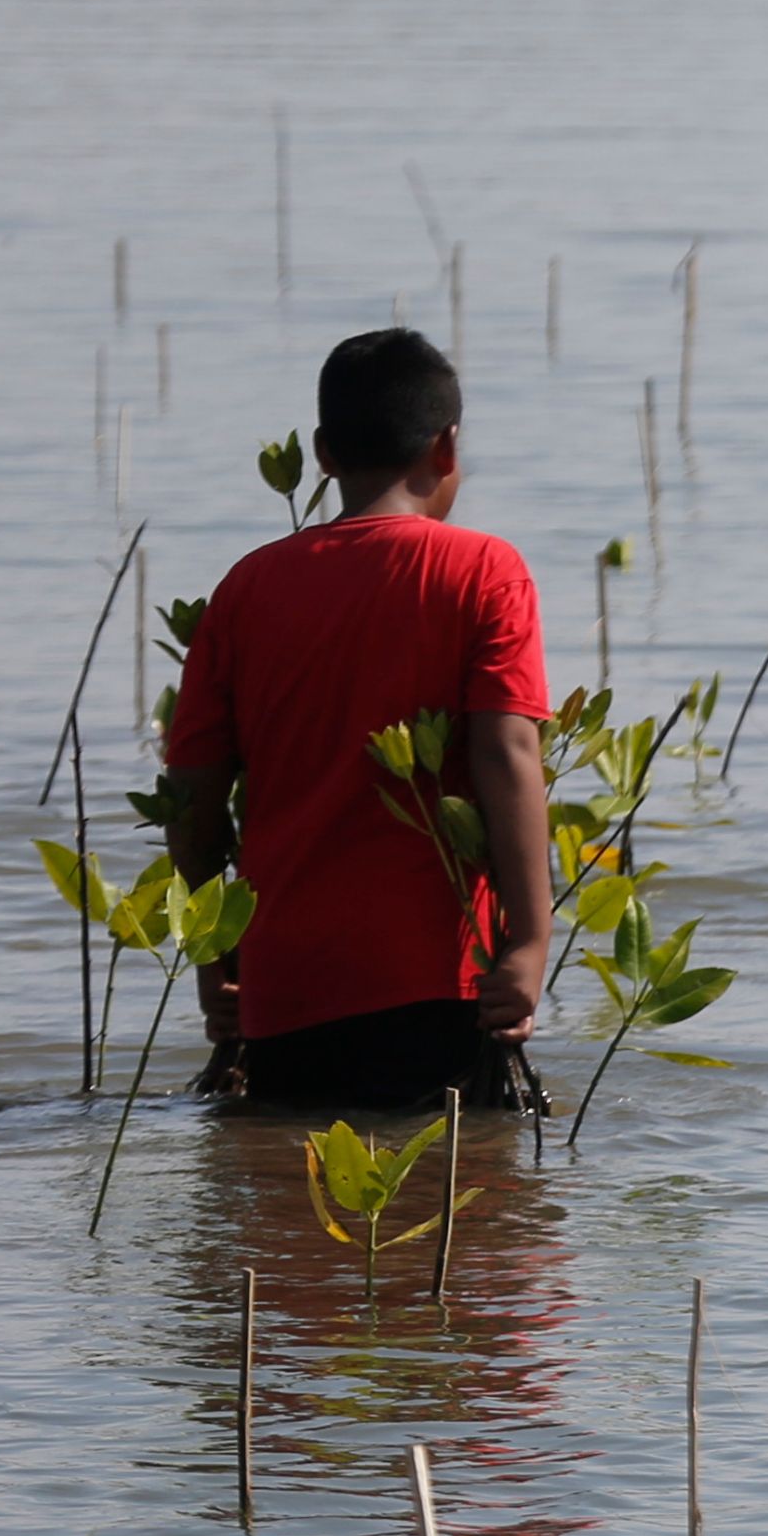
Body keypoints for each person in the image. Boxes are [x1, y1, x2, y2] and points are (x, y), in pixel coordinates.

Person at [159, 327, 555, 1112]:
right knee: (451, 1182)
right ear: (447, 447)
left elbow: (192, 790)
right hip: (435, 980)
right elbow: (507, 755)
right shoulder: (485, 571)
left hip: (283, 984)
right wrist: (529, 943)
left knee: (288, 1182)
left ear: (322, 453)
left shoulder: (245, 588)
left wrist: (215, 958)